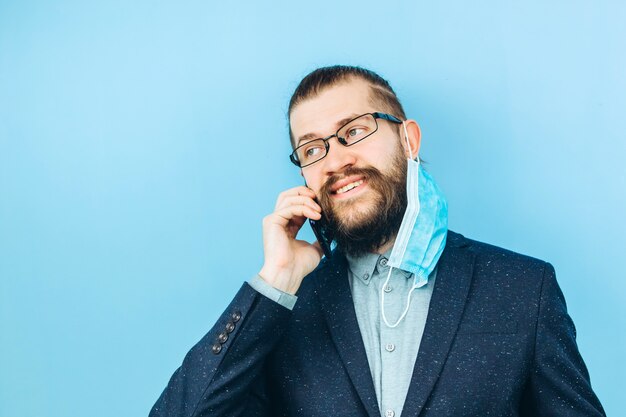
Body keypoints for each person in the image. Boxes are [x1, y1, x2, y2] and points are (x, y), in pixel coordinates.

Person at [150, 66, 605, 417]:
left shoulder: (523, 288)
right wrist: (276, 280)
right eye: (312, 150)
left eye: (354, 131)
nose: (337, 160)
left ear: (408, 139)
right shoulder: (282, 309)